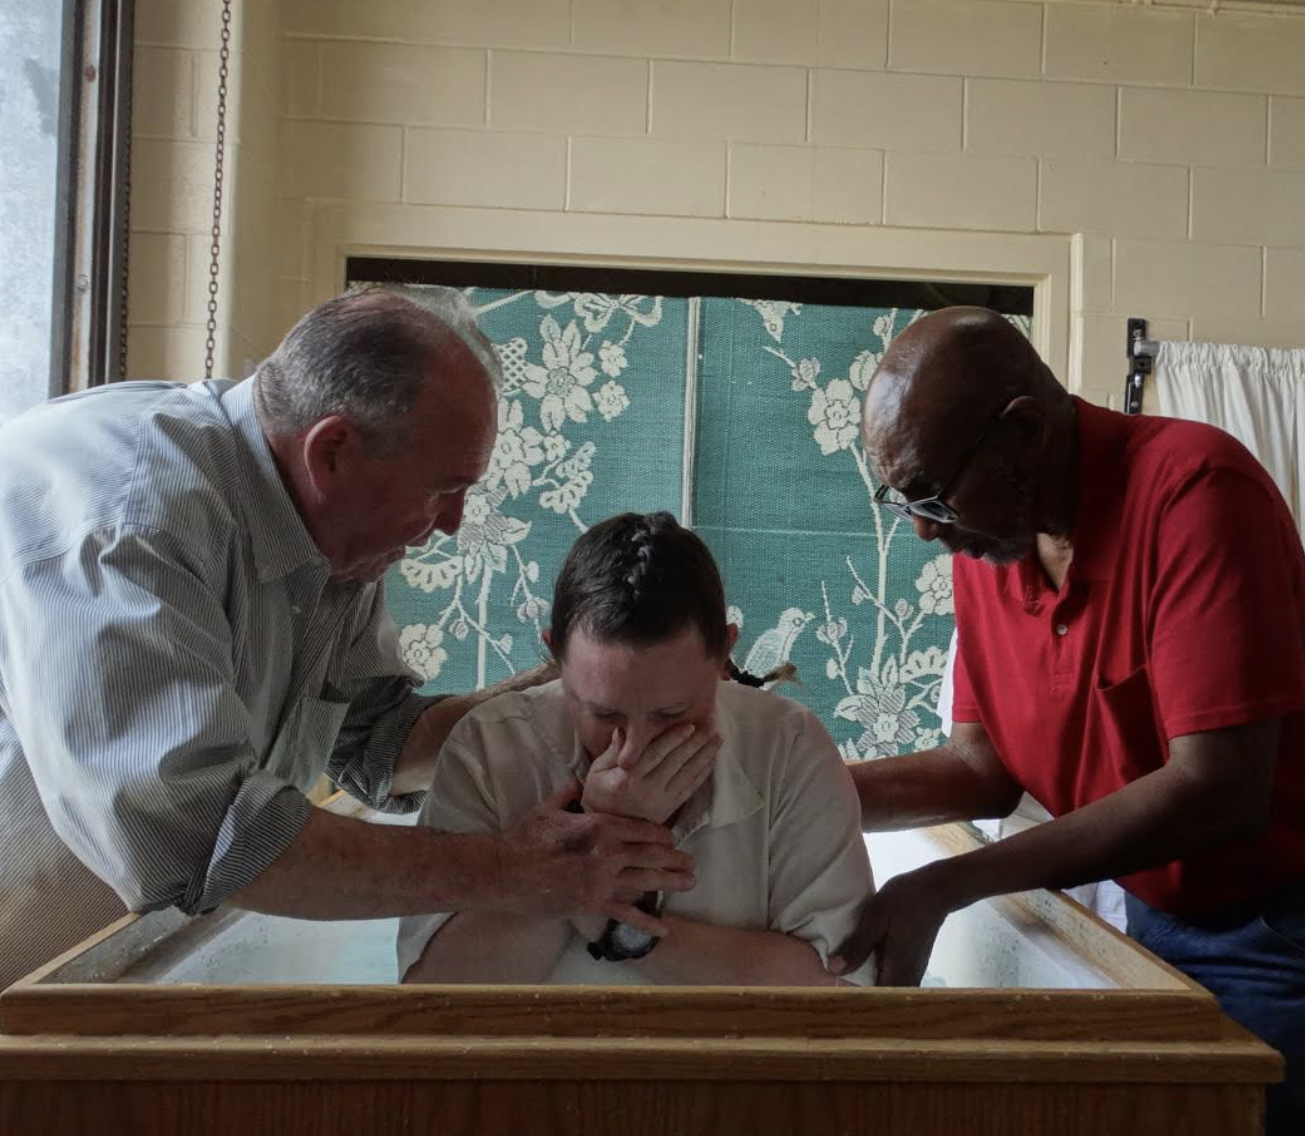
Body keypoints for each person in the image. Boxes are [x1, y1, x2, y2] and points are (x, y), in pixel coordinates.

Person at [0, 287, 693, 1039]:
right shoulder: (127, 522)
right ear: (333, 451)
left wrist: (577, 693)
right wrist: (514, 872)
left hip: (64, 983)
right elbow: (200, 839)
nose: (453, 523)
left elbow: (378, 740)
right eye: (443, 490)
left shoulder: (330, 537)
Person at [839, 305, 1304, 1134]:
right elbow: (982, 769)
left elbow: (1220, 789)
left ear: (1025, 432)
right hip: (1156, 916)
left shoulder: (1196, 493)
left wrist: (946, 884)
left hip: (1274, 927)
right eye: (903, 499)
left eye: (935, 495)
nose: (923, 529)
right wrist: (797, 793)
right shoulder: (995, 546)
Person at [398, 511, 877, 986]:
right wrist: (580, 857)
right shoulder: (488, 747)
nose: (633, 750)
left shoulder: (788, 746)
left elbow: (838, 990)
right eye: (604, 715)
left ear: (724, 656)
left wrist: (619, 927)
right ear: (555, 657)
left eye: (672, 714)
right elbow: (433, 997)